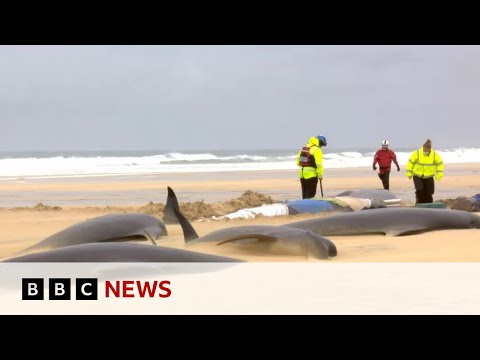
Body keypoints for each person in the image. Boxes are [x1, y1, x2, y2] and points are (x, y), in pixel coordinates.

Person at [406, 139, 444, 204]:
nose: (425, 151)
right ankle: (419, 203)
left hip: (429, 176)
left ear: (430, 149)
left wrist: (439, 174)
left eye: (427, 150)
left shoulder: (434, 155)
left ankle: (429, 205)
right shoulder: (417, 153)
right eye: (424, 149)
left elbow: (439, 164)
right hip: (417, 176)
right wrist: (408, 172)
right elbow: (410, 163)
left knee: (429, 192)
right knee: (420, 190)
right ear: (423, 147)